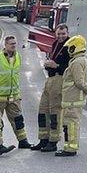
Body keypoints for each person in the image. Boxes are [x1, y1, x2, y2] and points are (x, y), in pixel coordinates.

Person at [32, 24, 70, 152]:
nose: (60, 36)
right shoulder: (55, 44)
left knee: (55, 112)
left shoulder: (70, 47)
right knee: (43, 111)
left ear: (67, 33)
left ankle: (53, 142)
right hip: (50, 79)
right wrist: (48, 65)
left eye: (63, 34)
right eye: (59, 34)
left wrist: (56, 65)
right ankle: (43, 139)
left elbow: (70, 68)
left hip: (59, 79)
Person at [57, 35, 87, 156]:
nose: (69, 50)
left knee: (70, 125)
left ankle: (70, 149)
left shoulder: (77, 62)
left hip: (72, 100)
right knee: (71, 124)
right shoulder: (82, 60)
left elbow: (79, 82)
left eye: (71, 47)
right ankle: (69, 147)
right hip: (74, 100)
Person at [0, 35, 30, 149]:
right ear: (5, 45)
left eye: (15, 43)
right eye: (11, 43)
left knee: (18, 119)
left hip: (14, 96)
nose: (14, 45)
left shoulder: (18, 56)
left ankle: (23, 141)